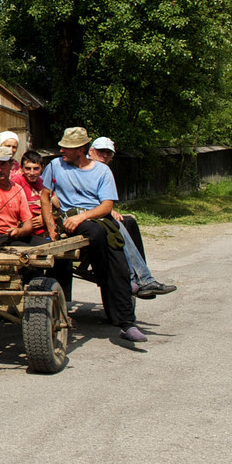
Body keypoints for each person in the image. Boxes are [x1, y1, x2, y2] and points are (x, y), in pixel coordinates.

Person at [41, 126, 147, 343]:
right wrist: (51, 226)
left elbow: (107, 205)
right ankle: (105, 275)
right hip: (69, 220)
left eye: (67, 148)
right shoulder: (55, 166)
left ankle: (127, 323)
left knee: (117, 256)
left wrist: (83, 217)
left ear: (81, 149)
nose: (61, 151)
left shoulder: (102, 171)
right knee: (98, 233)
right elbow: (44, 196)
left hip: (94, 218)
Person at [89, 136, 176, 298]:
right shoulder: (84, 168)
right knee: (117, 226)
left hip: (96, 213)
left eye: (108, 153)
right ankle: (139, 278)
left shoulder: (101, 170)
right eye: (101, 151)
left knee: (129, 222)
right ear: (91, 151)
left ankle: (138, 277)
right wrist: (105, 210)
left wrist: (108, 209)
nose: (104, 155)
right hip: (86, 216)